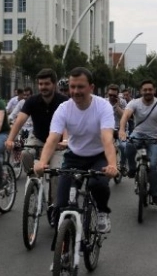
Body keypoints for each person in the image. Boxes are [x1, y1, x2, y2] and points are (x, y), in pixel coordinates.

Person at [33, 67, 118, 234]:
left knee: (97, 183)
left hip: (98, 156)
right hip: (74, 157)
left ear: (91, 87)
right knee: (61, 205)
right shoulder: (64, 109)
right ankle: (65, 251)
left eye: (80, 87)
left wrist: (113, 165)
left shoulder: (103, 107)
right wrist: (42, 162)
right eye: (72, 87)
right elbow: (52, 139)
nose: (75, 91)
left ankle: (102, 212)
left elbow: (107, 139)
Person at [5, 69, 68, 215]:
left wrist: (65, 141)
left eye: (47, 84)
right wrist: (9, 140)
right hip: (38, 138)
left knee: (56, 174)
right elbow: (20, 120)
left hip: (57, 142)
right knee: (26, 153)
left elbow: (66, 124)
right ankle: (33, 178)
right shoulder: (32, 101)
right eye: (40, 84)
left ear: (54, 85)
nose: (43, 87)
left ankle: (54, 206)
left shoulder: (63, 101)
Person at [119, 79, 157, 205]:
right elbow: (125, 116)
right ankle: (131, 168)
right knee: (128, 145)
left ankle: (155, 194)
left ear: (154, 90)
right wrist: (122, 130)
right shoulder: (134, 103)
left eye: (150, 89)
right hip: (138, 134)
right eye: (145, 90)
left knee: (153, 166)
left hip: (155, 138)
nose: (147, 92)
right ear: (141, 91)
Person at [107, 84, 128, 169]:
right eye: (110, 95)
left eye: (114, 95)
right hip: (108, 129)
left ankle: (122, 164)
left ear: (118, 95)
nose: (112, 97)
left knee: (123, 146)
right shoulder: (104, 102)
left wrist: (117, 106)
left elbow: (124, 116)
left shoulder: (123, 102)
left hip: (120, 128)